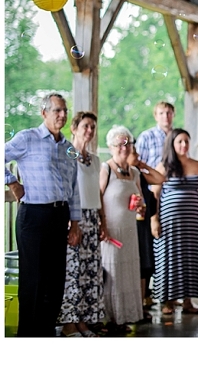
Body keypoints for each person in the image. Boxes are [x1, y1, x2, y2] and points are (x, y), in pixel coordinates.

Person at [5, 92, 80, 337]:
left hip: (60, 218)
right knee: (34, 284)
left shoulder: (69, 148)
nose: (62, 115)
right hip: (33, 218)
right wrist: (12, 183)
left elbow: (74, 187)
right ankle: (27, 340)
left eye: (65, 110)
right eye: (57, 110)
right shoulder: (28, 138)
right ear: (44, 112)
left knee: (55, 285)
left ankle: (46, 338)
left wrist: (76, 223)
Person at [100, 126, 159, 333]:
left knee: (128, 273)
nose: (124, 148)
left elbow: (141, 199)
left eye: (127, 144)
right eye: (119, 144)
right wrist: (102, 225)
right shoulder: (106, 169)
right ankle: (107, 318)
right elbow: (98, 197)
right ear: (111, 147)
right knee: (112, 272)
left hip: (130, 228)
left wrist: (141, 206)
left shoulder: (134, 172)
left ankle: (123, 317)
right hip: (111, 231)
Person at [151, 128, 198, 315]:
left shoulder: (197, 165)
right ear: (172, 144)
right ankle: (167, 301)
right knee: (169, 260)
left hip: (192, 223)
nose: (184, 145)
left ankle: (188, 301)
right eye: (180, 142)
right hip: (170, 224)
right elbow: (154, 194)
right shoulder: (163, 166)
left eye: (186, 141)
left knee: (191, 260)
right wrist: (154, 220)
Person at [57, 111, 105, 337]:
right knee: (73, 272)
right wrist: (70, 221)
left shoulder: (95, 159)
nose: (89, 131)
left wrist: (102, 221)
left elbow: (98, 192)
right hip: (74, 217)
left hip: (93, 218)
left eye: (93, 127)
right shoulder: (67, 153)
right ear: (74, 128)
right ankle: (68, 323)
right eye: (85, 126)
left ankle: (84, 321)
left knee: (90, 272)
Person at [135, 101, 175, 308]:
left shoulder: (177, 137)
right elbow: (137, 164)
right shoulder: (146, 136)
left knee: (167, 247)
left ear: (173, 114)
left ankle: (167, 293)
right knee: (149, 246)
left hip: (173, 196)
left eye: (169, 112)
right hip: (150, 196)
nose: (166, 116)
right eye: (162, 113)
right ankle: (146, 292)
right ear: (155, 115)